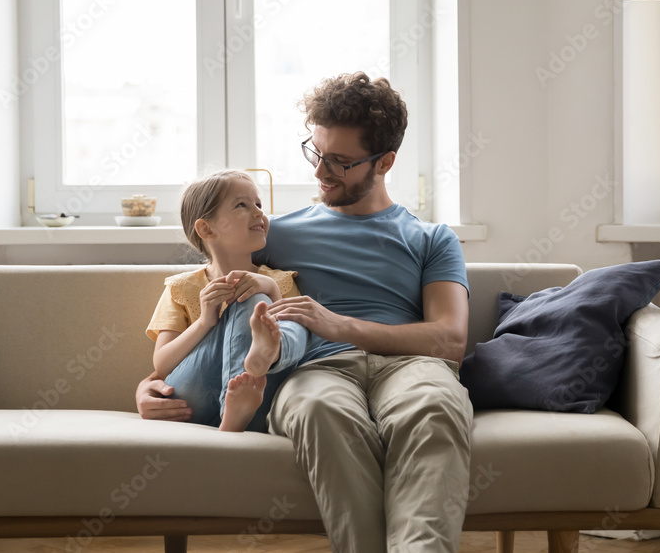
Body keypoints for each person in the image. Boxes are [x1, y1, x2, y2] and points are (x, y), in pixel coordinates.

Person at [136, 72, 473, 552]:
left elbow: (449, 339)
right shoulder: (276, 233)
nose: (320, 172)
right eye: (316, 152)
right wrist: (152, 381)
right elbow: (214, 275)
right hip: (317, 367)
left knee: (435, 406)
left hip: (411, 366)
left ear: (385, 162)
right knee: (317, 409)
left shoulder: (432, 239)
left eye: (340, 161)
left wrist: (338, 325)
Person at [145, 169, 312, 433]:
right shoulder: (181, 287)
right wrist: (204, 322)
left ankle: (236, 412)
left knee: (278, 310)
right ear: (206, 228)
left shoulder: (278, 281)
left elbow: (300, 348)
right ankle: (235, 406)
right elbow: (163, 366)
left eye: (258, 204)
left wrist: (272, 293)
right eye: (241, 205)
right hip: (194, 396)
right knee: (252, 296)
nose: (259, 213)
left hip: (259, 395)